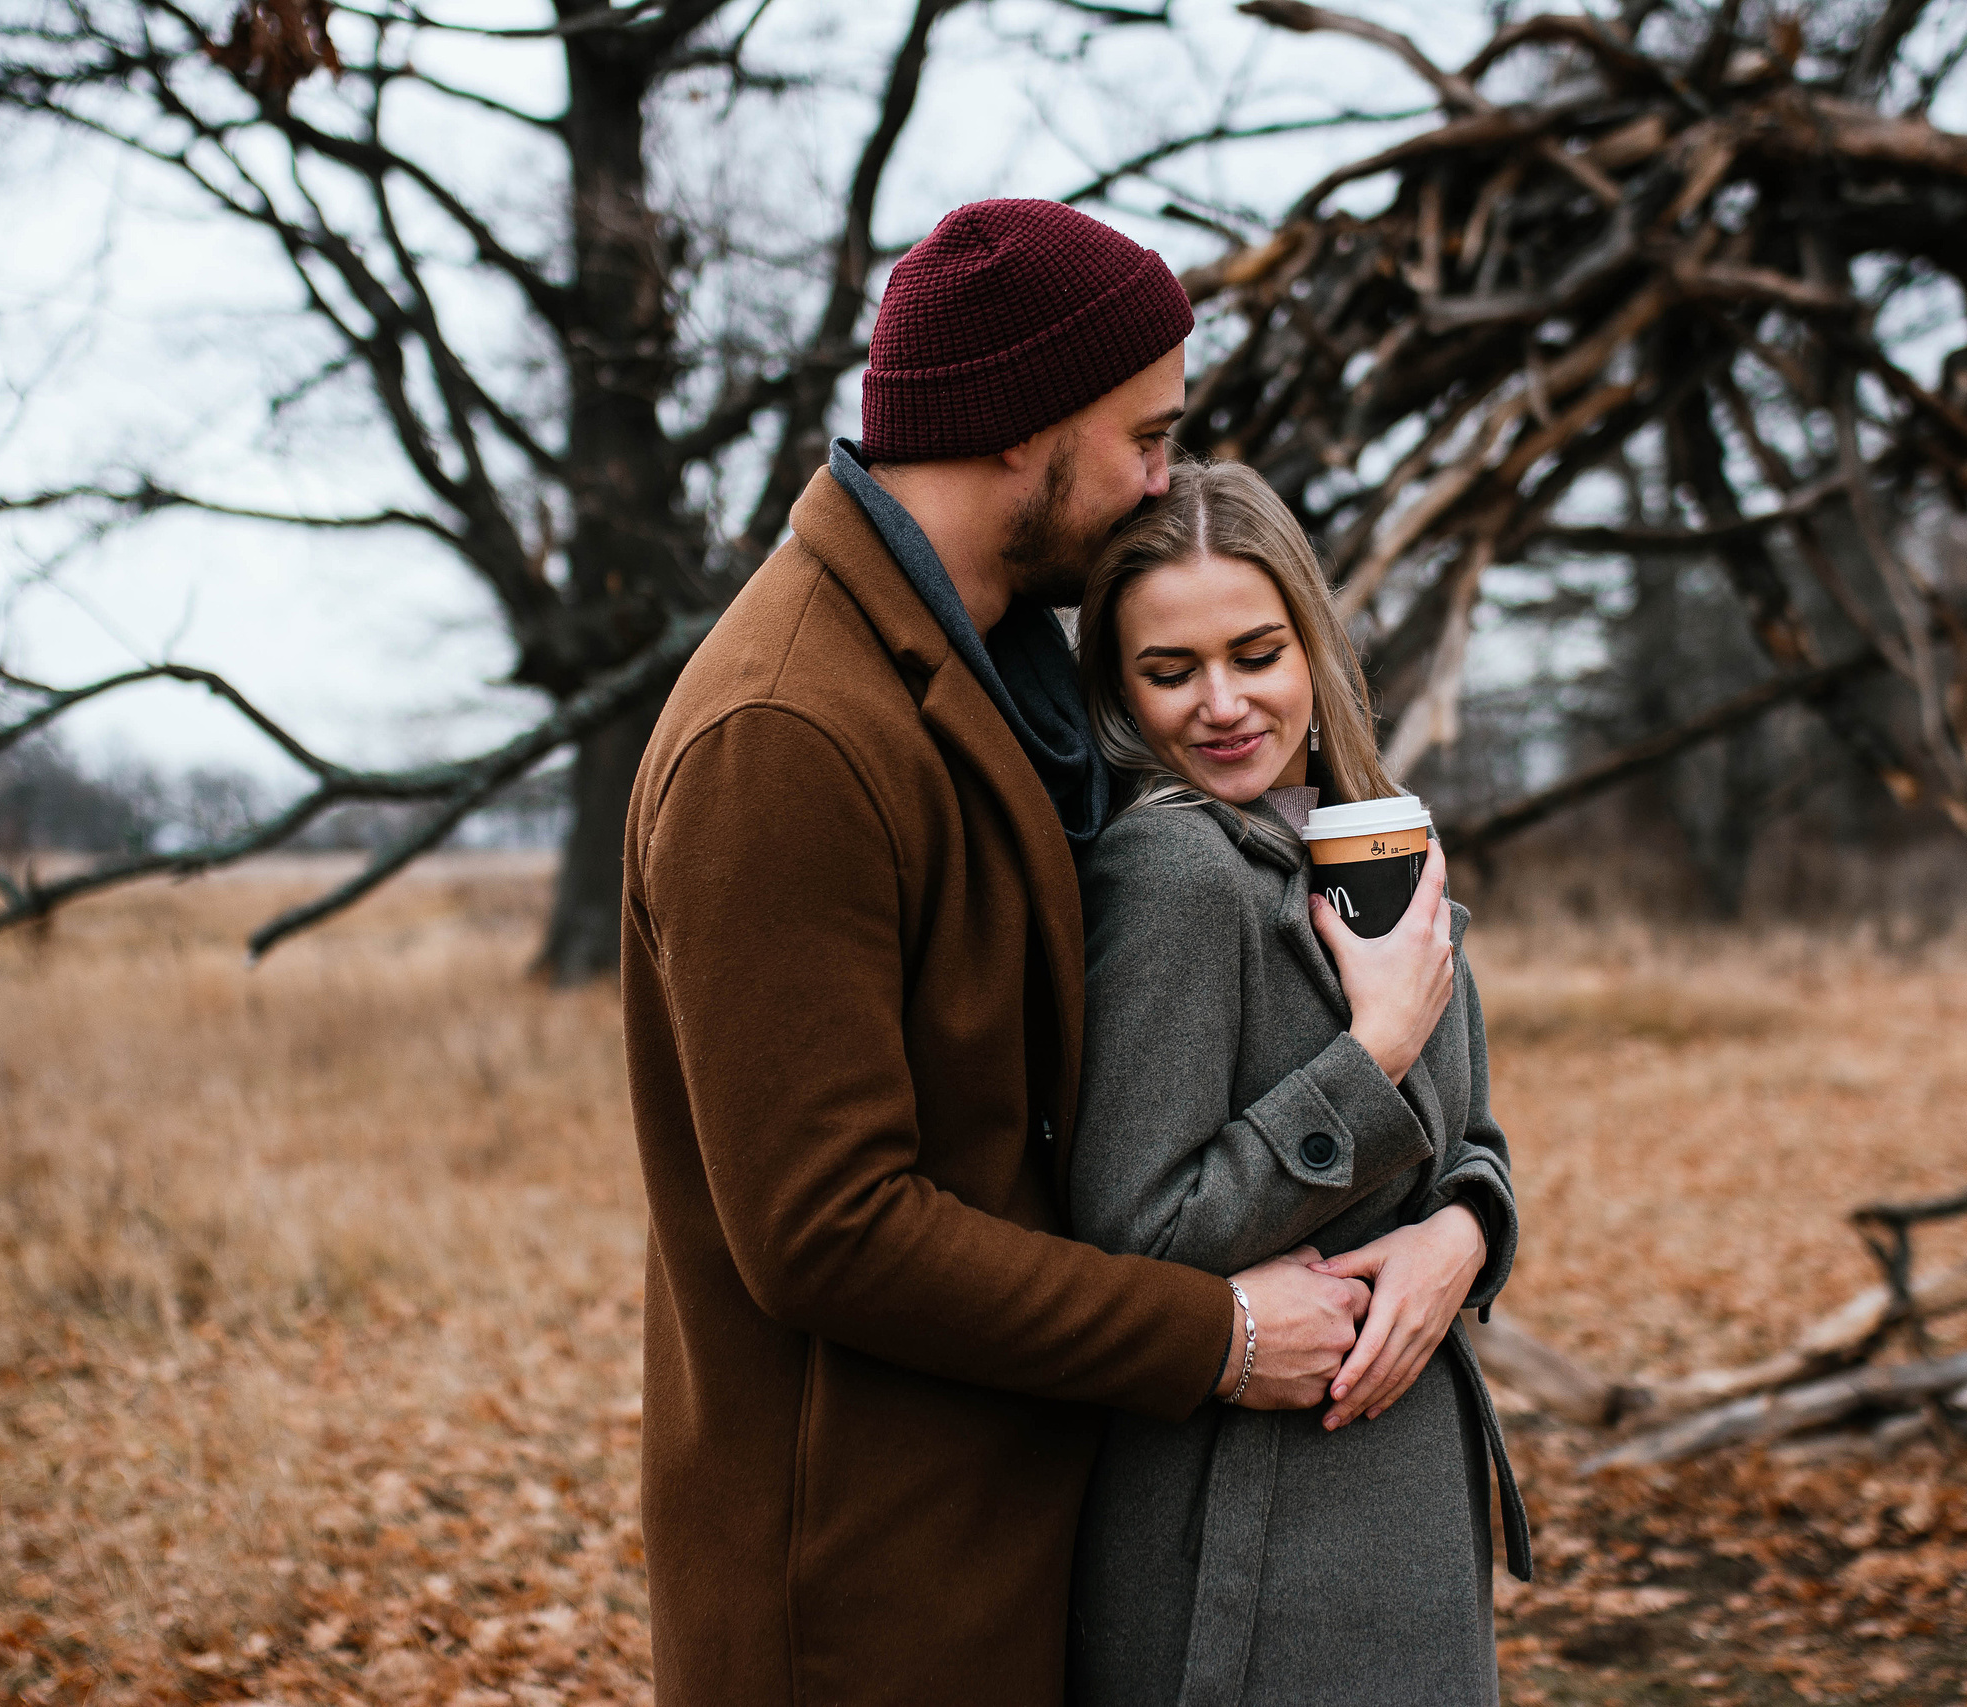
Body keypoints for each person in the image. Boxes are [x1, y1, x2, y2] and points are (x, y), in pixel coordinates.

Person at [620, 201, 1373, 1707]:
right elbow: (826, 1226)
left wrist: (1448, 1215)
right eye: (1148, 435)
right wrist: (1217, 1336)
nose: (1168, 475)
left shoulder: (1010, 679)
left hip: (1025, 1550)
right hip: (864, 1602)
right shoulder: (788, 729)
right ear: (1033, 426)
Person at [1066, 458, 1531, 1706]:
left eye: (1255, 653)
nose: (1221, 703)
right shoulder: (1171, 876)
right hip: (1258, 1548)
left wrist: (1462, 1236)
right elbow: (1134, 1232)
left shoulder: (1365, 836)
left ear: (1311, 650)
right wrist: (1368, 1053)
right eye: (1170, 671)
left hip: (1405, 1512)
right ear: (1118, 688)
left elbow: (1470, 1139)